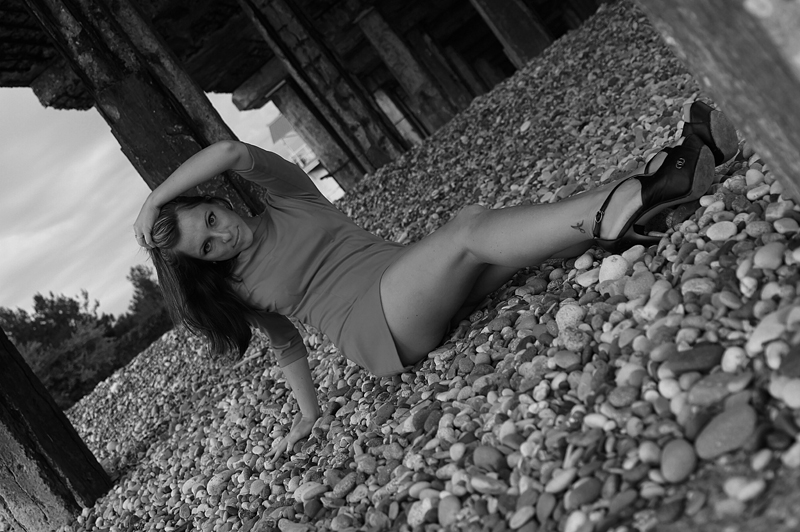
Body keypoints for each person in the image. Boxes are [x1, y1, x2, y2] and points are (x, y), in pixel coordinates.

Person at [133, 101, 738, 460]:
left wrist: (157, 199)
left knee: (538, 236)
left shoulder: (286, 196)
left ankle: (663, 178)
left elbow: (231, 153)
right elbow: (287, 344)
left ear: (216, 202)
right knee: (471, 228)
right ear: (206, 262)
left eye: (209, 219)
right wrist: (308, 415)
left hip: (410, 278)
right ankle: (631, 199)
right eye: (206, 247)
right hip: (378, 326)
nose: (220, 236)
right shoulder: (237, 286)